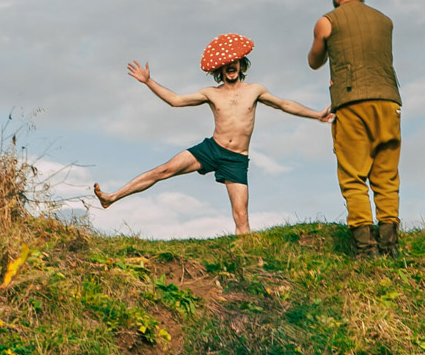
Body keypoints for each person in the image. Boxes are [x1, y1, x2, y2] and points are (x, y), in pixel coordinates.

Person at [94, 33, 331, 235]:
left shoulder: (254, 91)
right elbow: (176, 101)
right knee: (162, 170)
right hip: (212, 149)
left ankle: (248, 266)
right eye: (226, 63)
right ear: (220, 69)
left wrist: (316, 114)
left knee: (242, 220)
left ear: (241, 64)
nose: (231, 66)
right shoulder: (212, 93)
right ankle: (111, 198)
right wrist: (148, 81)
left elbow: (284, 104)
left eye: (235, 62)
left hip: (235, 158)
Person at [307, 0, 403, 257]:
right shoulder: (385, 21)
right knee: (386, 174)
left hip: (351, 102)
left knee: (353, 174)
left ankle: (365, 246)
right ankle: (389, 243)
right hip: (388, 101)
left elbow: (315, 61)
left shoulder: (327, 22)